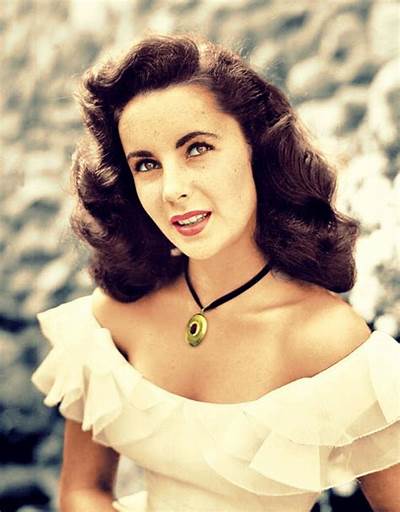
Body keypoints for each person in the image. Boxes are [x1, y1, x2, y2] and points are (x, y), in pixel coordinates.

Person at [31, 33, 400, 512]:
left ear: (256, 148)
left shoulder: (328, 339)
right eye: (146, 164)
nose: (172, 189)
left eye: (197, 148)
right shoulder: (115, 317)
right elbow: (82, 491)